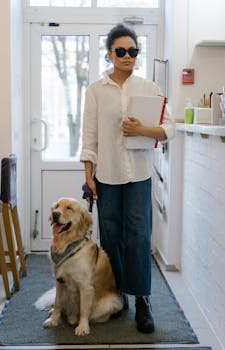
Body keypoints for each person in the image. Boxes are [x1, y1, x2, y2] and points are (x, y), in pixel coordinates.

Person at [80, 23, 175, 333]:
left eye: (133, 51)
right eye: (120, 51)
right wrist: (89, 176)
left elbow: (169, 128)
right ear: (109, 54)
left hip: (139, 175)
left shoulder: (149, 89)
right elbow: (89, 137)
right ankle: (116, 293)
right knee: (110, 238)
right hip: (106, 176)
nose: (127, 56)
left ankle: (142, 300)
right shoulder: (95, 91)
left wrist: (142, 130)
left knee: (138, 237)